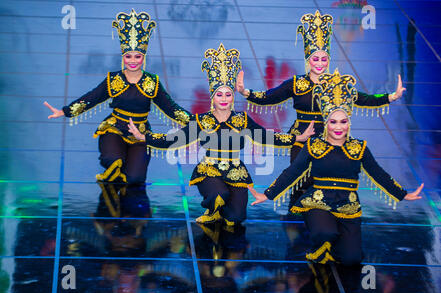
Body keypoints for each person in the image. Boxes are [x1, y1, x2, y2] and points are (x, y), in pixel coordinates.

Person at [248, 69, 423, 266]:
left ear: (349, 123)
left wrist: (402, 194)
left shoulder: (359, 148)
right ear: (327, 122)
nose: (338, 127)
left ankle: (336, 244)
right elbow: (292, 173)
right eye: (333, 122)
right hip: (318, 202)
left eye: (343, 122)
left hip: (347, 205)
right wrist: (268, 194)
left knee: (352, 259)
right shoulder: (314, 146)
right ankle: (322, 241)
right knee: (326, 232)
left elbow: (378, 175)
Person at [128, 43, 314, 227]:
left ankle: (224, 208)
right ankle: (212, 210)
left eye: (228, 94)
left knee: (236, 218)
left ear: (233, 96)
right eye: (219, 95)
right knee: (218, 196)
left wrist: (297, 138)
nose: (224, 99)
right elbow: (175, 140)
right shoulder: (202, 121)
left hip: (235, 171)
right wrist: (144, 137)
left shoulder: (241, 120)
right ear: (212, 97)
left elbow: (264, 136)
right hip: (210, 170)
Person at [235, 10, 406, 204]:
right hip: (302, 138)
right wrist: (245, 92)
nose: (320, 63)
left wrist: (391, 96)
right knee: (300, 182)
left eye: (324, 59)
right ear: (308, 59)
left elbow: (364, 99)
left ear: (328, 60)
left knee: (324, 186)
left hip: (332, 139)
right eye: (315, 59)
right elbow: (268, 97)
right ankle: (298, 220)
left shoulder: (337, 84)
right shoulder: (296, 84)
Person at [43, 9, 192, 184]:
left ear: (143, 57)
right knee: (113, 161)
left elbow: (171, 108)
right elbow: (92, 97)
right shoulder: (114, 79)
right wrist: (65, 111)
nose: (133, 60)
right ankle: (114, 165)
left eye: (138, 56)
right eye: (128, 56)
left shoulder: (152, 82)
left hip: (140, 133)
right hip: (114, 129)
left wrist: (195, 121)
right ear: (123, 56)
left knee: (135, 179)